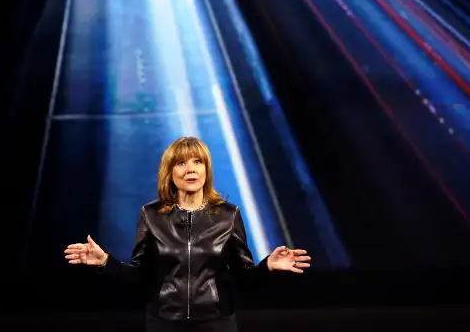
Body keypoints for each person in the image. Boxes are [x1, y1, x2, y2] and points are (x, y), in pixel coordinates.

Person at [64, 136, 311, 332]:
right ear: (170, 172)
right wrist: (105, 263)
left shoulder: (228, 215)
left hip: (216, 323)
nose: (190, 169)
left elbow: (243, 278)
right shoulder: (151, 215)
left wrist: (268, 265)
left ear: (206, 169)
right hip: (165, 323)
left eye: (197, 162)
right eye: (181, 163)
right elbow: (141, 277)